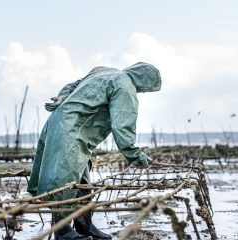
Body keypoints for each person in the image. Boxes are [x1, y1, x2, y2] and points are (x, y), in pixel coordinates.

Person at [28, 62, 162, 240]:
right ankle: (62, 232)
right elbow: (122, 125)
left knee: (83, 182)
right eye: (145, 89)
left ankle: (84, 225)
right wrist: (135, 154)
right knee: (65, 181)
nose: (142, 92)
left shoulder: (103, 71)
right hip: (72, 131)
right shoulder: (126, 87)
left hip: (57, 122)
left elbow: (75, 84)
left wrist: (63, 96)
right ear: (144, 80)